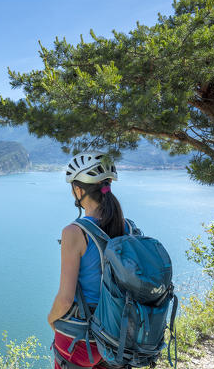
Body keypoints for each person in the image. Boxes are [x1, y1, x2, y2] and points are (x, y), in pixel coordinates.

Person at [47, 152, 127, 369]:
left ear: (78, 190)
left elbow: (65, 299)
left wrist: (51, 320)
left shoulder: (74, 232)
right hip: (118, 337)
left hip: (82, 340)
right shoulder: (128, 227)